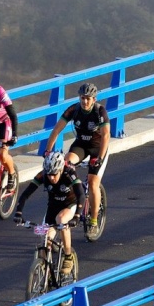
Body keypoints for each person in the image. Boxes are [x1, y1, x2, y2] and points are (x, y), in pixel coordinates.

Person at [43, 82, 109, 238]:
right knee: (65, 165)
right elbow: (57, 129)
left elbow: (106, 135)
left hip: (98, 148)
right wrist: (48, 150)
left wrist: (99, 158)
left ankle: (93, 221)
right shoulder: (73, 109)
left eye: (88, 98)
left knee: (93, 182)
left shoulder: (100, 111)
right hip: (81, 145)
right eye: (82, 98)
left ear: (94, 99)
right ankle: (70, 201)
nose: (85, 101)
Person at [13, 152, 85, 274]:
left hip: (70, 205)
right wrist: (18, 212)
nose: (51, 178)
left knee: (61, 219)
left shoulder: (69, 173)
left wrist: (77, 216)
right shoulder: (43, 175)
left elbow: (81, 195)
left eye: (54, 174)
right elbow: (25, 195)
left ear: (61, 169)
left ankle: (68, 256)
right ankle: (45, 273)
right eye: (49, 174)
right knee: (44, 242)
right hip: (53, 207)